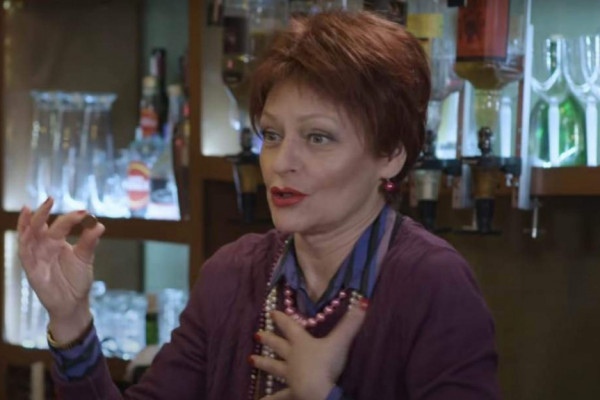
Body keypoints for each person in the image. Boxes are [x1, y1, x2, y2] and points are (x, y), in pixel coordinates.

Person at [17, 10, 500, 400]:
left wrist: (323, 394)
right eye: (272, 134)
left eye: (318, 137)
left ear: (390, 154)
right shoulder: (232, 274)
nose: (281, 162)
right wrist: (71, 322)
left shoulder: (432, 283)